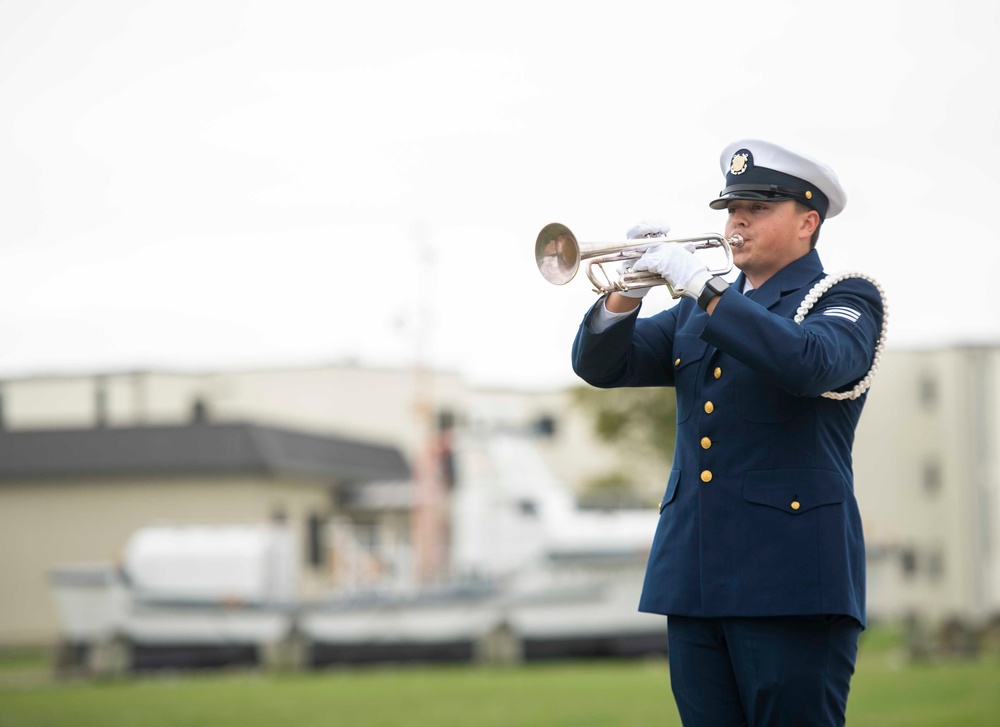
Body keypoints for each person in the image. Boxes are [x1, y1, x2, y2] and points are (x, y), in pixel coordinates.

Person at [571, 139, 886, 726]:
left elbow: (807, 362)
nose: (737, 220)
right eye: (732, 207)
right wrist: (627, 291)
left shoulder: (843, 299)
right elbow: (601, 366)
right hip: (693, 580)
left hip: (790, 582)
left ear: (807, 222)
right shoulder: (698, 311)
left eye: (759, 207)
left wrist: (705, 288)